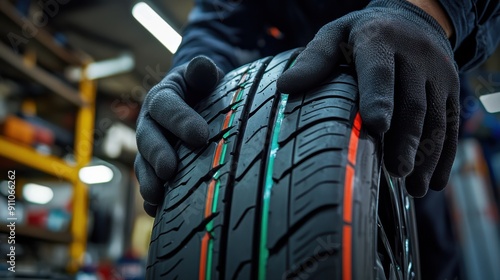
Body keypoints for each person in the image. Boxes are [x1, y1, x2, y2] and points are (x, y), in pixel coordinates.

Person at [134, 0, 500, 278]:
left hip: (402, 90)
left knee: (423, 236)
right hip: (291, 105)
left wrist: (426, 11)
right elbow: (223, 19)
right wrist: (200, 80)